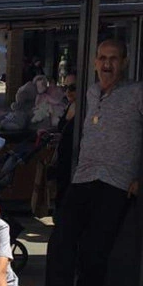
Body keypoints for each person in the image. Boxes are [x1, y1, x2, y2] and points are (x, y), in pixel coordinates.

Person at [43, 39, 143, 286]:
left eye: (113, 58)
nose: (107, 64)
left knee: (95, 250)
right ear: (95, 62)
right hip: (84, 176)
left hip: (117, 181)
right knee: (61, 240)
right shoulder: (90, 92)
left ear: (124, 61)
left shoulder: (139, 93)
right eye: (102, 58)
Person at [54, 73, 77, 211]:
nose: (68, 91)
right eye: (65, 87)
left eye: (72, 87)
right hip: (63, 159)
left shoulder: (85, 108)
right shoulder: (69, 106)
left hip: (74, 161)